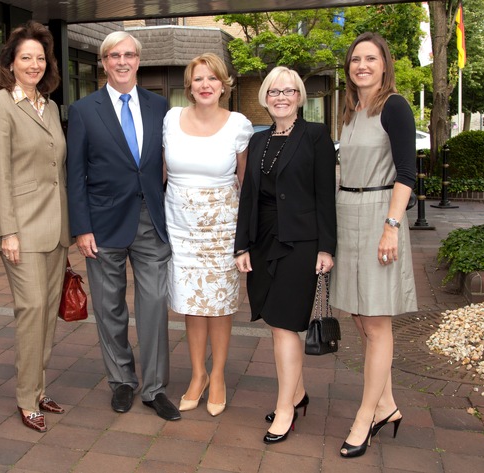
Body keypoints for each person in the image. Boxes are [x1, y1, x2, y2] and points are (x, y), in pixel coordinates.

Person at [66, 31, 180, 421]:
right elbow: (75, 174)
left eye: (130, 54)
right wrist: (81, 227)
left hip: (151, 219)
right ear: (103, 62)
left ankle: (154, 388)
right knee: (109, 307)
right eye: (114, 55)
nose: (123, 61)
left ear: (139, 60)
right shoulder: (83, 110)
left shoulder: (159, 106)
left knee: (152, 306)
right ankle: (121, 381)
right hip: (102, 224)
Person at [235, 66, 336, 444]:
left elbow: (326, 195)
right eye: (274, 91)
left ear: (299, 97)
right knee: (276, 322)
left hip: (301, 243)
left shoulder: (315, 136)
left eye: (289, 91)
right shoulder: (258, 141)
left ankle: (285, 409)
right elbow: (248, 197)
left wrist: (327, 246)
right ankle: (298, 393)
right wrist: (241, 245)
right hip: (262, 242)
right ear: (264, 97)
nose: (281, 97)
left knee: (284, 324)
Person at [0, 21, 71, 433]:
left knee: (47, 313)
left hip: (56, 230)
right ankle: (24, 397)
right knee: (31, 309)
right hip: (23, 229)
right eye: (25, 58)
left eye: (40, 57)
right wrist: (7, 230)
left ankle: (38, 388)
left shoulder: (49, 106)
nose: (34, 64)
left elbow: (57, 170)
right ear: (11, 63)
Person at [330, 32, 417, 458]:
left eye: (370, 58)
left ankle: (365, 417)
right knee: (361, 319)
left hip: (381, 213)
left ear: (385, 64)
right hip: (349, 215)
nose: (361, 65)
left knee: (377, 322)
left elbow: (407, 173)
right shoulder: (350, 111)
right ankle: (387, 405)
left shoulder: (395, 106)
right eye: (355, 60)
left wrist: (391, 226)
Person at [164, 53, 253, 417]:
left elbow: (245, 182)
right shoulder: (170, 119)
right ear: (190, 85)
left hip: (222, 226)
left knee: (218, 304)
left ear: (223, 85)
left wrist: (246, 236)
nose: (205, 85)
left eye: (212, 79)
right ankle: (197, 374)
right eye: (198, 79)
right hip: (180, 226)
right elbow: (160, 172)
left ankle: (218, 376)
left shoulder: (239, 124)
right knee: (190, 302)